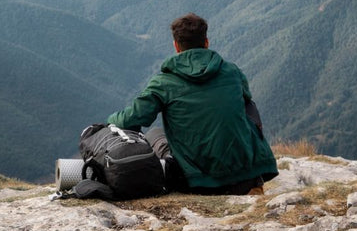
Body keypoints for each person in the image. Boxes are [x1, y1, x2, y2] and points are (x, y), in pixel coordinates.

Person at [106, 13, 278, 195]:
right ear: (206, 42)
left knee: (154, 133)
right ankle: (253, 183)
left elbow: (131, 119)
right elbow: (246, 100)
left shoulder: (164, 82)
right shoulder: (232, 72)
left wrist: (111, 119)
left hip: (195, 183)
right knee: (247, 107)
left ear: (176, 46)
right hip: (244, 177)